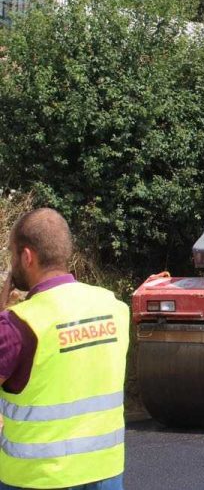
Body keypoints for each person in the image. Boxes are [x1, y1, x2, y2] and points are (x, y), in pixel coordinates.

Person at [0, 208, 129, 490]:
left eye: (12, 255)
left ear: (27, 256)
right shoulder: (114, 308)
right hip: (104, 473)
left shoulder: (17, 325)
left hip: (37, 478)